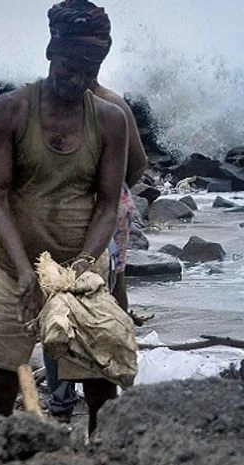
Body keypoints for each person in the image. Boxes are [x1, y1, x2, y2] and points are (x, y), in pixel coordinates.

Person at [0, 0, 128, 434]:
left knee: (100, 384)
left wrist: (83, 263)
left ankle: (102, 456)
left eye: (90, 69)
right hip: (11, 266)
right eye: (70, 66)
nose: (79, 79)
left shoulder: (111, 121)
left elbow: (107, 204)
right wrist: (25, 271)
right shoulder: (10, 111)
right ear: (50, 52)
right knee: (0, 386)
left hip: (80, 268)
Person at [43, 78, 152, 424]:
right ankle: (64, 396)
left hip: (107, 213)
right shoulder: (53, 107)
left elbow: (136, 163)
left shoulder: (112, 106)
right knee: (59, 300)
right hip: (63, 214)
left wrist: (108, 191)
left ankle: (102, 391)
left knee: (107, 296)